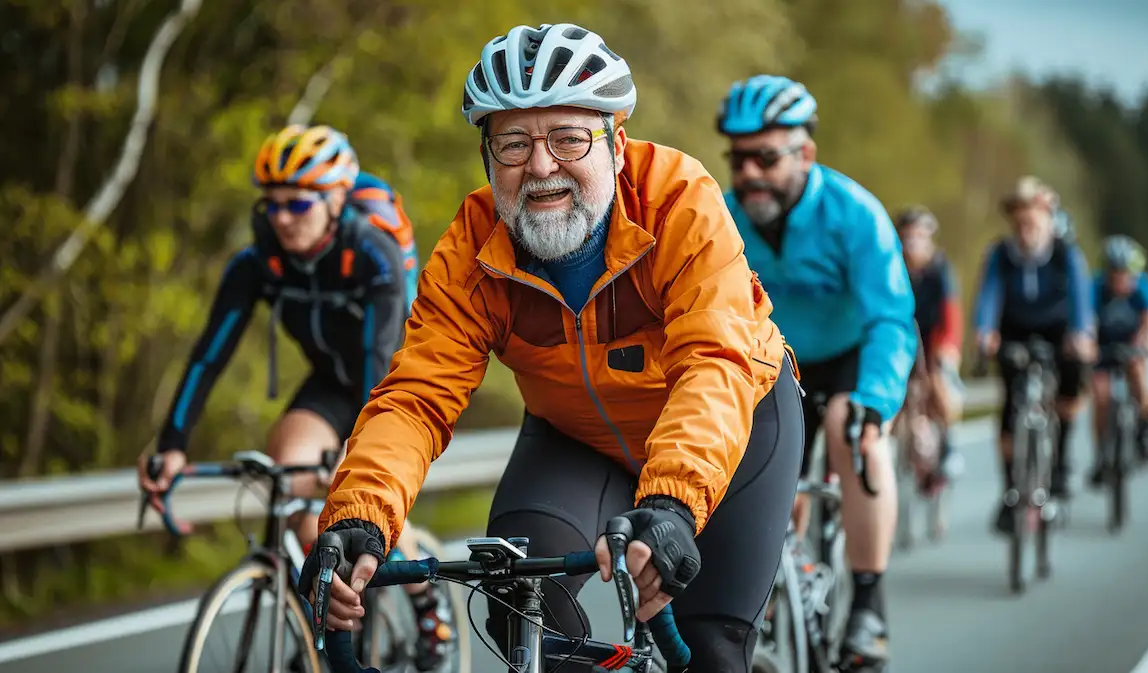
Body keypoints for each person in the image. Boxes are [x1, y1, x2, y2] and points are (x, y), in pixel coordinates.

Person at [301, 23, 804, 673]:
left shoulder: (680, 200)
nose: (541, 167)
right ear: (488, 158)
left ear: (616, 147)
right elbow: (417, 397)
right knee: (520, 607)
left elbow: (715, 359)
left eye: (568, 137)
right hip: (576, 437)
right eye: (513, 143)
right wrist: (357, 517)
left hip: (736, 430)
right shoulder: (472, 245)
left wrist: (673, 503)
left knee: (709, 649)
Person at [136, 125, 451, 670]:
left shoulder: (371, 255)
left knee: (356, 503)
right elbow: (209, 355)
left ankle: (426, 598)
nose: (282, 217)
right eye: (272, 204)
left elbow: (379, 367)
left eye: (298, 202)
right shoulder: (257, 262)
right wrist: (172, 442)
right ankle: (330, 622)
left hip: (390, 384)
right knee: (290, 475)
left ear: (334, 200)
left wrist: (358, 454)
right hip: (330, 381)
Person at [716, 74, 918, 668]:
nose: (749, 172)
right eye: (738, 158)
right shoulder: (721, 219)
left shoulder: (855, 214)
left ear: (805, 154)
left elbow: (892, 320)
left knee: (852, 436)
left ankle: (869, 606)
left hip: (852, 358)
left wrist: (874, 403)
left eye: (766, 157)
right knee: (762, 472)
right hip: (775, 367)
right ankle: (776, 584)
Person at [973, 175, 1095, 533]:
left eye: (1032, 219)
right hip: (1015, 330)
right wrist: (985, 331)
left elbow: (1080, 297)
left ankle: (1060, 468)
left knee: (1070, 386)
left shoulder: (1065, 253)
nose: (1025, 227)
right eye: (1019, 220)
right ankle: (1012, 489)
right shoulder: (1000, 254)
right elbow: (989, 295)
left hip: (1059, 332)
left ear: (1047, 218)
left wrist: (1082, 333)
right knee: (1011, 407)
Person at [895, 206, 965, 496]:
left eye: (919, 237)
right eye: (908, 238)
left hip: (934, 338)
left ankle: (949, 446)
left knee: (939, 384)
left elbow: (951, 314)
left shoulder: (940, 270)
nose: (913, 244)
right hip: (902, 335)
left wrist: (947, 347)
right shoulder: (893, 267)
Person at [1089, 236, 1148, 477]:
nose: (1120, 279)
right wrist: (1088, 348)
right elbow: (1086, 323)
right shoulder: (1095, 287)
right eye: (1115, 273)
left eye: (1125, 274)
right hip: (1104, 347)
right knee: (1100, 396)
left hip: (1135, 346)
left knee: (1143, 376)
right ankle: (1102, 453)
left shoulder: (1144, 287)